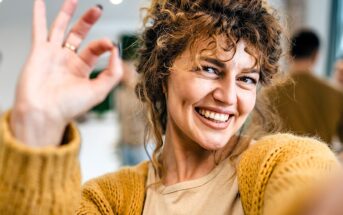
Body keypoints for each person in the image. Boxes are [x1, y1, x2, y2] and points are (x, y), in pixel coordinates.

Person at [0, 0, 341, 214]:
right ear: (162, 72)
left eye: (246, 79)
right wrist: (37, 126)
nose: (228, 96)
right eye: (210, 69)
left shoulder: (276, 162)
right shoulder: (109, 200)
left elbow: (306, 182)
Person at [262, 29, 343, 146]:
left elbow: (260, 136)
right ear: (316, 55)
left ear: (289, 53)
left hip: (281, 162)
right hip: (323, 163)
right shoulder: (336, 94)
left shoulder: (269, 93)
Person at [115, 34, 149, 166]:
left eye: (122, 69)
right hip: (125, 146)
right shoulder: (120, 93)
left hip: (141, 146)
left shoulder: (142, 90)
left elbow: (149, 118)